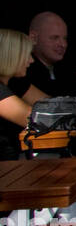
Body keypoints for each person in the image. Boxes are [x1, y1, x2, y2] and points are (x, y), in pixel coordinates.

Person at [10, 12, 76, 104]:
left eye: (65, 38)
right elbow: (53, 103)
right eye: (54, 38)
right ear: (34, 38)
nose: (63, 44)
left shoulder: (67, 67)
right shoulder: (22, 71)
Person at [0, 29, 35, 161]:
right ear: (11, 57)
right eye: (26, 55)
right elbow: (35, 119)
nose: (31, 60)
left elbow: (45, 101)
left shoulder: (12, 84)